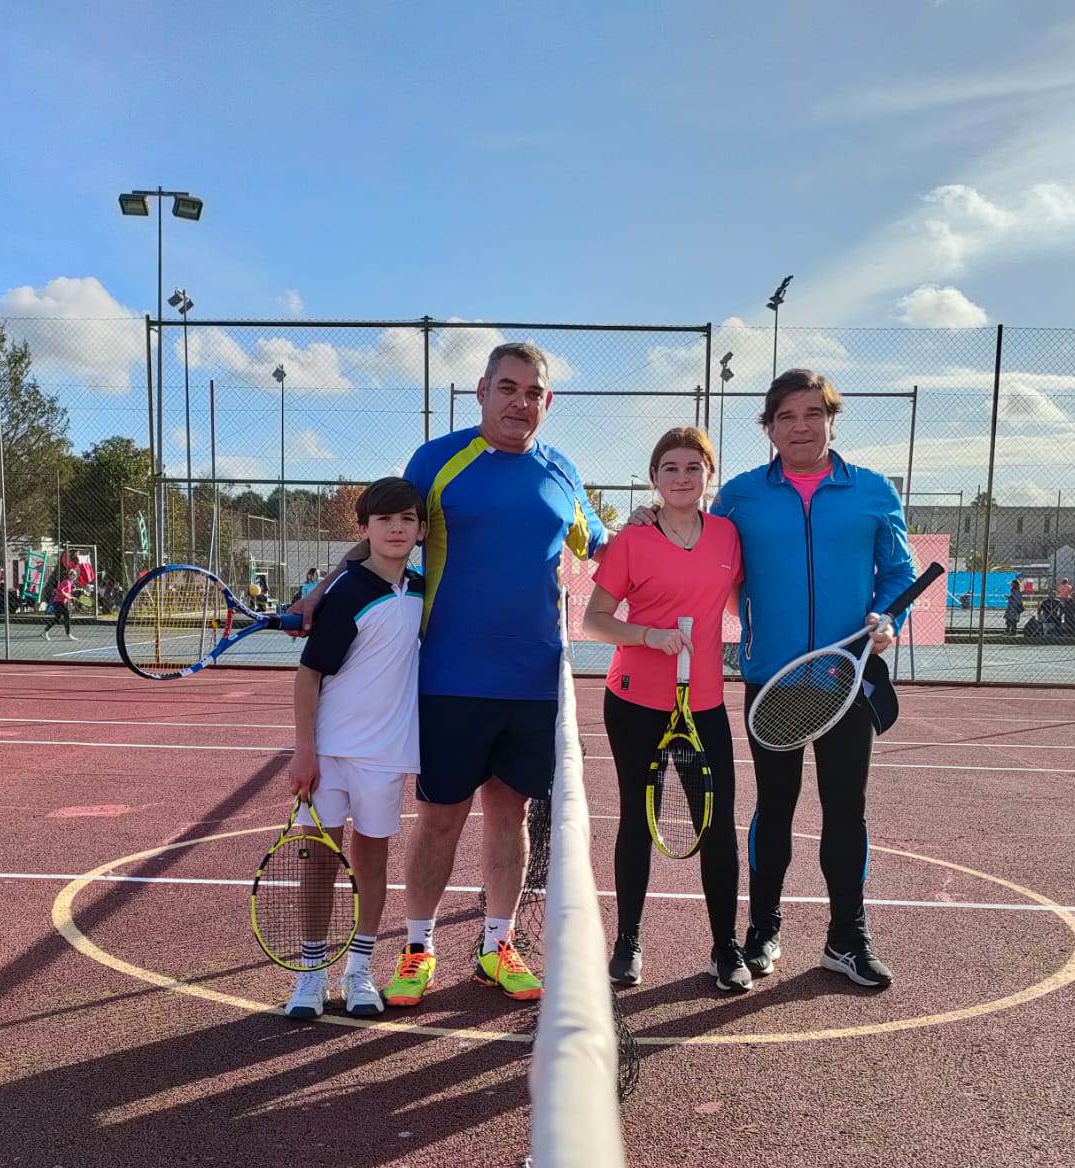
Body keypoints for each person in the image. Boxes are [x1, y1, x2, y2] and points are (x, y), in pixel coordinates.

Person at [296, 341, 605, 1008]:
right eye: (508, 388)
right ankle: (418, 947)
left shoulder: (562, 472)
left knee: (511, 813)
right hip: (449, 676)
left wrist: (650, 527)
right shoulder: (437, 461)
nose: (520, 402)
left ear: (548, 401)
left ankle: (498, 945)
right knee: (440, 817)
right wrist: (323, 589)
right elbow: (383, 534)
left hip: (533, 681)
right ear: (482, 391)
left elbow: (600, 545)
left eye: (533, 392)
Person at [713, 370, 914, 988]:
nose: (800, 427)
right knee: (774, 808)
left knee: (845, 808)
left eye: (812, 414)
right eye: (786, 416)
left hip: (845, 681)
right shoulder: (740, 496)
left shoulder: (873, 490)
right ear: (769, 427)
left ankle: (846, 938)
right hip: (772, 679)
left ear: (831, 420)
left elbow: (899, 575)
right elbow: (702, 556)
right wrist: (650, 521)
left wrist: (888, 618)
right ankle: (762, 931)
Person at [582, 426, 748, 992]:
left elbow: (746, 601)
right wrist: (648, 636)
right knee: (637, 818)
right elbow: (594, 620)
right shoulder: (633, 539)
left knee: (716, 824)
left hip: (703, 704)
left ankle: (726, 947)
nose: (682, 477)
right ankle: (628, 941)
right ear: (654, 478)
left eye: (693, 467)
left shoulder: (728, 537)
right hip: (634, 700)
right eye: (670, 468)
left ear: (708, 476)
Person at [284, 478, 426, 1021]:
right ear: (364, 529)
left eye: (407, 519)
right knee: (319, 862)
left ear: (421, 530)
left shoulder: (424, 591)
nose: (396, 528)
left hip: (386, 755)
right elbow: (308, 675)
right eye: (384, 520)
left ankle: (359, 970)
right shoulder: (346, 593)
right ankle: (311, 973)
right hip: (328, 753)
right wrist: (305, 751)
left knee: (372, 862)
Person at [42, 568, 75, 639]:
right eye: (73, 575)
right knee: (67, 616)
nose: (75, 576)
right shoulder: (67, 582)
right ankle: (68, 634)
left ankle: (45, 631)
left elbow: (67, 593)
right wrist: (68, 597)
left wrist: (70, 601)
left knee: (57, 619)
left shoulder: (70, 583)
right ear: (69, 575)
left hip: (60, 602)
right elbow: (61, 591)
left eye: (75, 575)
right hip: (58, 602)